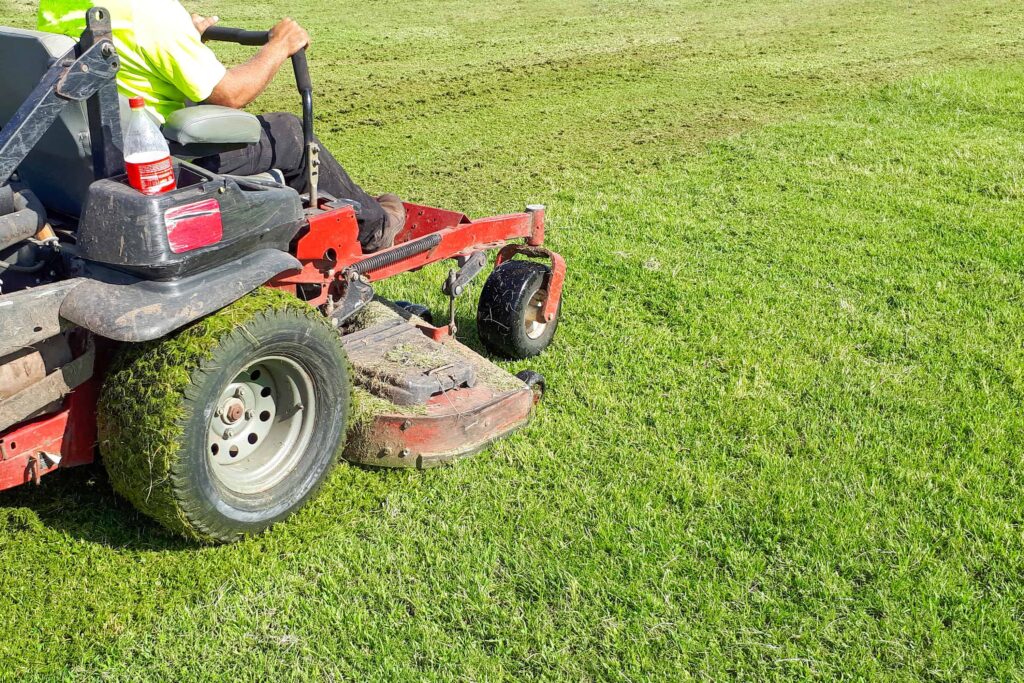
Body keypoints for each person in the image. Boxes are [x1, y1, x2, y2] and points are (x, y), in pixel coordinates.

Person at [37, 0, 404, 251]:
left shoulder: (60, 5)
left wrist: (183, 35)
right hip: (151, 161)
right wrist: (279, 46)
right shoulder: (150, 12)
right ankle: (375, 227)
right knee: (287, 133)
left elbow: (133, 53)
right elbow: (230, 93)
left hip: (83, 155)